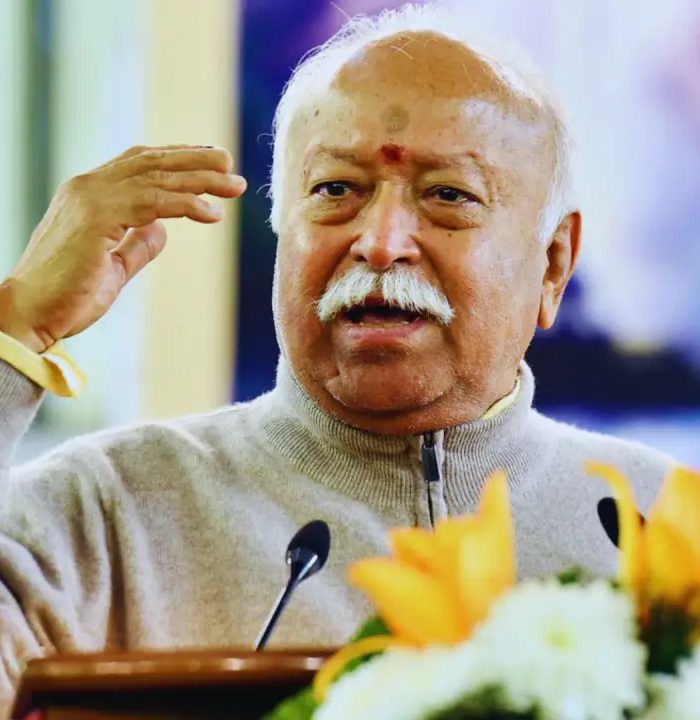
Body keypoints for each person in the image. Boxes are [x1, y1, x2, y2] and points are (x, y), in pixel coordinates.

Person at [0, 3, 677, 714]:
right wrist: (17, 326)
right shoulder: (104, 513)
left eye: (448, 195)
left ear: (554, 265)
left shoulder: (659, 528)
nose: (381, 243)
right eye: (335, 191)